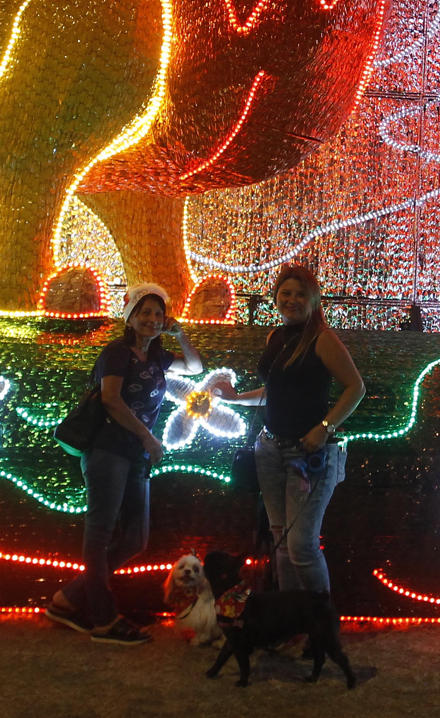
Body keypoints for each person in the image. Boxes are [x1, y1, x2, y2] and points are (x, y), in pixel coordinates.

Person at [46, 283, 203, 644]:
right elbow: (112, 400)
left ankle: (68, 599)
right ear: (130, 317)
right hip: (108, 449)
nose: (152, 319)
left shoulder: (157, 357)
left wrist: (179, 334)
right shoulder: (117, 353)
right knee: (100, 533)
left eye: (158, 314)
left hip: (134, 455)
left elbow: (194, 367)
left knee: (135, 537)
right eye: (144, 313)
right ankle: (102, 618)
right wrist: (148, 438)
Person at [216, 264, 365, 596]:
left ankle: (320, 623)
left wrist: (324, 428)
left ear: (313, 299)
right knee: (280, 539)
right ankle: (289, 622)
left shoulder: (323, 339)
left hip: (307, 454)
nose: (292, 300)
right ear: (276, 297)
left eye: (300, 294)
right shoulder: (276, 337)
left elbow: (355, 388)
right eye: (286, 293)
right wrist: (236, 398)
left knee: (301, 545)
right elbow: (274, 391)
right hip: (269, 449)